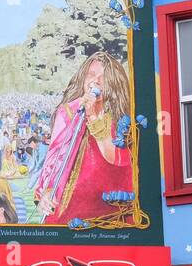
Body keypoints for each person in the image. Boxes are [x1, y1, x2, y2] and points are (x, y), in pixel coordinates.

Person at [33, 50, 133, 223]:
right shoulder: (68, 112)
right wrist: (46, 192)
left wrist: (93, 117)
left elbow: (118, 158)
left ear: (114, 83)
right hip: (69, 214)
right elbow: (54, 157)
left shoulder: (121, 117)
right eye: (91, 75)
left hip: (112, 214)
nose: (96, 80)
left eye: (104, 77)